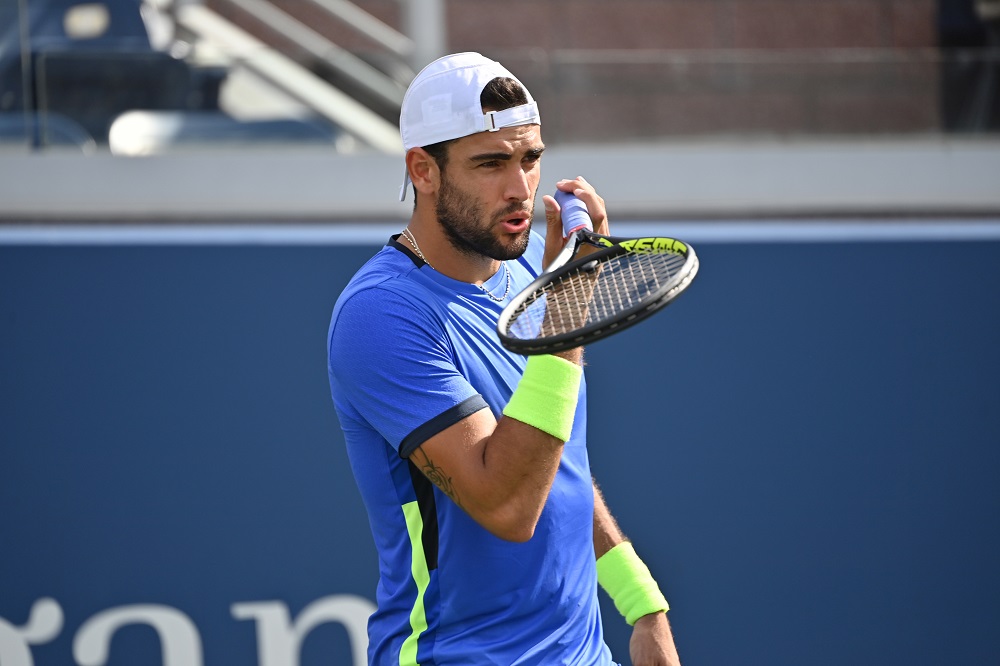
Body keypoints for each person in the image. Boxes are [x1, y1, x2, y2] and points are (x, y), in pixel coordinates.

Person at [327, 52, 681, 666]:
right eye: (490, 163)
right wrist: (567, 315)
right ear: (424, 169)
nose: (520, 188)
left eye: (531, 158)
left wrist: (642, 604)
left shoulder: (528, 270)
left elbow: (555, 459)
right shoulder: (379, 315)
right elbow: (508, 504)